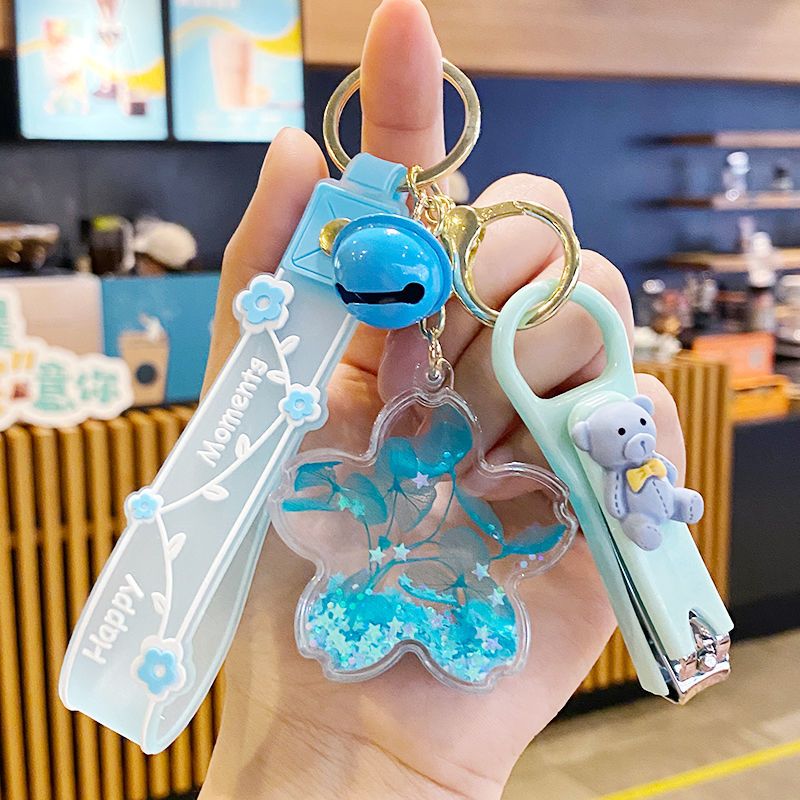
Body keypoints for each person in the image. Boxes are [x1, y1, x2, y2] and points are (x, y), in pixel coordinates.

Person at [199, 1, 685, 797]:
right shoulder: (350, 489)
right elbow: (345, 493)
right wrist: (303, 756)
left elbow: (478, 534)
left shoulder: (454, 523)